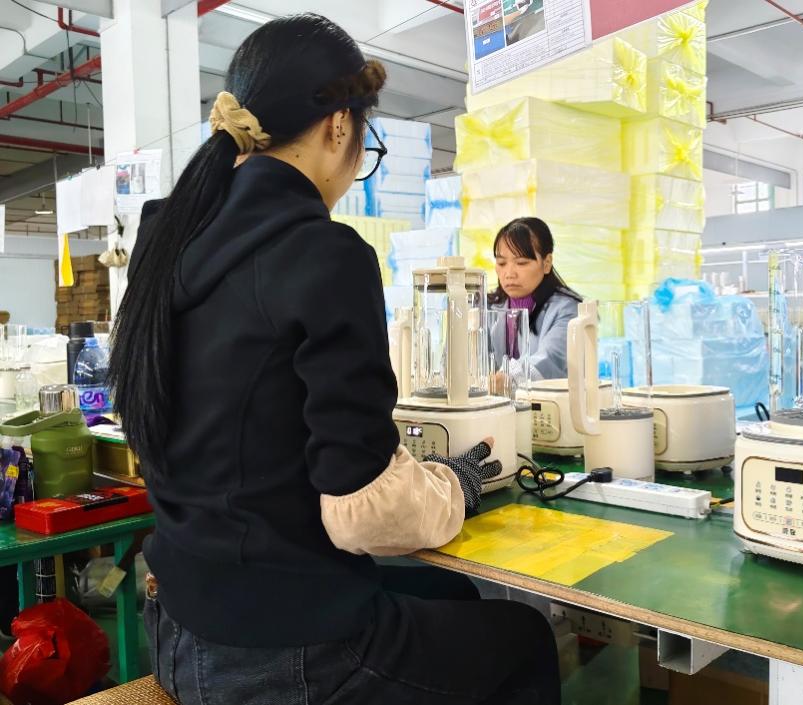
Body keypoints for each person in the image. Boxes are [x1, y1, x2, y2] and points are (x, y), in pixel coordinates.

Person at [109, 14, 559, 705]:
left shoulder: (166, 242)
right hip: (282, 659)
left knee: (452, 594)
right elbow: (361, 512)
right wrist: (454, 485)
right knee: (524, 637)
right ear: (339, 127)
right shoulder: (324, 253)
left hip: (176, 627)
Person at [489, 217, 582, 386]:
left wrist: (504, 380)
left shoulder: (569, 310)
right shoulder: (488, 307)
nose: (509, 274)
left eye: (521, 263)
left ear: (546, 263)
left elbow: (550, 360)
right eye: (501, 263)